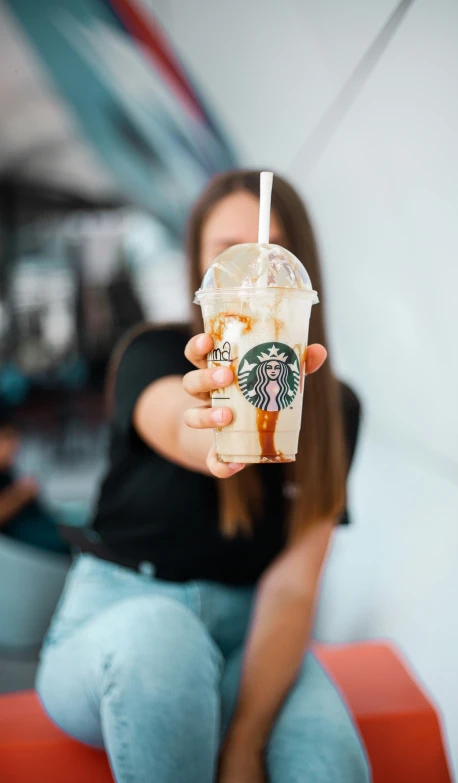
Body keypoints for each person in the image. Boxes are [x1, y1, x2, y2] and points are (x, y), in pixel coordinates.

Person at [36, 171, 370, 783]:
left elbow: (293, 588)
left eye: (272, 251)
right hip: (119, 620)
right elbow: (176, 421)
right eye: (228, 251)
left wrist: (245, 742)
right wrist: (216, 421)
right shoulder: (153, 355)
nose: (252, 268)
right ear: (201, 267)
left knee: (328, 759)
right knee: (163, 639)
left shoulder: (335, 411)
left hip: (248, 639)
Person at [0, 406, 69, 554]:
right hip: (28, 552)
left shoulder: (7, 472)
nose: (15, 445)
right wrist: (20, 495)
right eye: (7, 437)